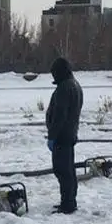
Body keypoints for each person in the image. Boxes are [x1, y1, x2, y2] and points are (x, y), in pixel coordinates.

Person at [45, 57, 83, 214]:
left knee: (62, 170)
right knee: (69, 170)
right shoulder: (74, 85)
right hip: (70, 134)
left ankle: (68, 204)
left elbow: (60, 115)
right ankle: (69, 200)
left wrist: (52, 136)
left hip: (62, 136)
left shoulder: (64, 88)